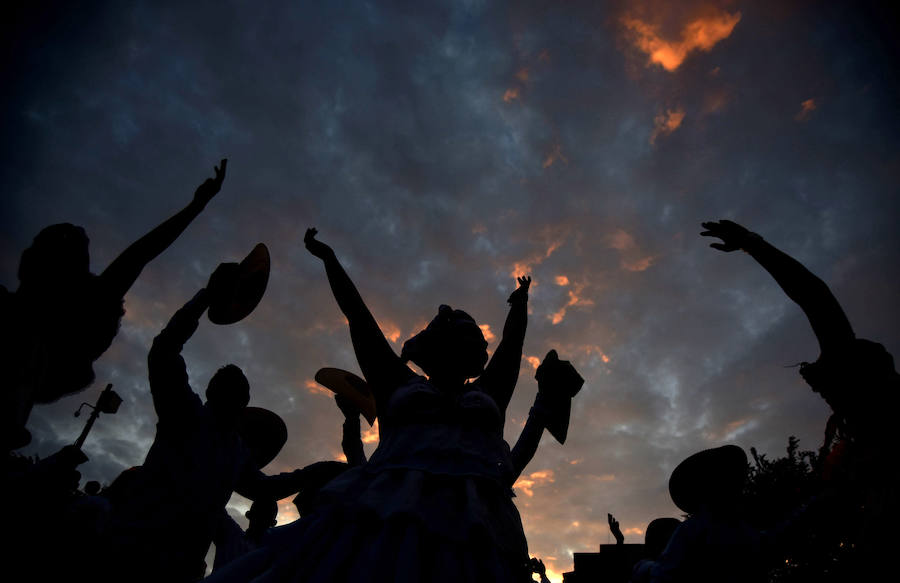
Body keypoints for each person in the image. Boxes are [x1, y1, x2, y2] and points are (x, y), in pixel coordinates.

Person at [208, 228, 583, 583]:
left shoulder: (487, 393)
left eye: (465, 335)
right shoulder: (397, 382)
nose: (460, 338)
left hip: (476, 523)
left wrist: (520, 305)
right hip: (385, 513)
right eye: (452, 331)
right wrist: (330, 261)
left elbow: (512, 345)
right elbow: (358, 317)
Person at [99, 267, 322, 583]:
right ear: (213, 392)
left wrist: (317, 470)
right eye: (228, 388)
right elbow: (164, 350)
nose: (232, 396)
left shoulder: (235, 449)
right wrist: (205, 297)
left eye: (238, 392)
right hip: (130, 551)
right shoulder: (185, 412)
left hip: (179, 566)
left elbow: (266, 488)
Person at [700, 219, 900, 569]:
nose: (824, 394)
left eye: (827, 383)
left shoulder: (880, 415)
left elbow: (816, 298)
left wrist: (753, 243)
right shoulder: (856, 438)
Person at [1, 159, 228, 451]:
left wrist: (198, 205)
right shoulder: (55, 321)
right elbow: (139, 255)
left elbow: (140, 255)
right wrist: (198, 205)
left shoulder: (67, 319)